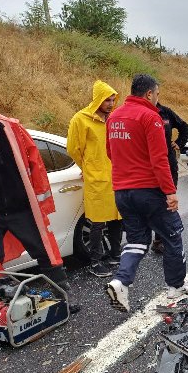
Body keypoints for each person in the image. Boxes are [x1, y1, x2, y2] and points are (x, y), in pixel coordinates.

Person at [105, 74, 188, 312]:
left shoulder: (114, 117)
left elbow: (111, 152)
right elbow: (159, 159)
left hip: (122, 192)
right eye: (157, 95)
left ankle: (120, 281)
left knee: (137, 241)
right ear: (149, 94)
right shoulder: (150, 116)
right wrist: (170, 192)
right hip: (150, 192)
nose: (157, 99)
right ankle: (175, 289)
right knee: (173, 236)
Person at [0, 101, 80, 312]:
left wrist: (41, 205)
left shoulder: (12, 129)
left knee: (47, 255)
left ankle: (64, 299)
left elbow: (36, 165)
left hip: (22, 209)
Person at [67, 80, 122, 278]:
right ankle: (95, 262)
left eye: (113, 99)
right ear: (97, 99)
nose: (110, 103)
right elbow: (73, 148)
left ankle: (116, 254)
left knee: (117, 218)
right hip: (96, 177)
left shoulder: (113, 118)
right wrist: (87, 167)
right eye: (106, 99)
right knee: (97, 222)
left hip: (116, 176)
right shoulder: (81, 119)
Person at [151, 102, 188, 254]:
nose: (156, 96)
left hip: (168, 163)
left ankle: (160, 239)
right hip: (150, 166)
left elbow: (184, 126)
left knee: (167, 201)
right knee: (154, 202)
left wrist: (179, 143)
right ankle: (149, 239)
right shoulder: (142, 113)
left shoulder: (165, 112)